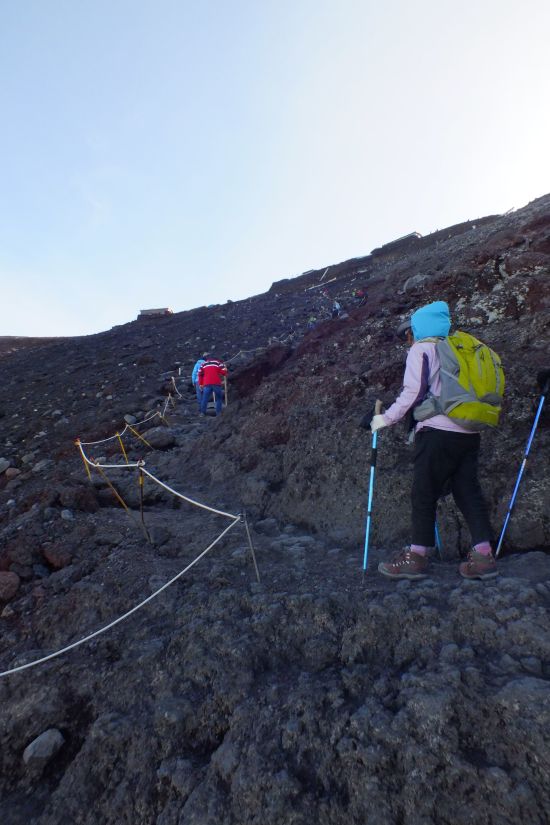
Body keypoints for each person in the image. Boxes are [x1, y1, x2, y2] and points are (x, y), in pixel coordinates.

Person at [370, 300, 498, 581]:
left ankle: (416, 557)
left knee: (423, 493)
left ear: (417, 328)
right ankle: (484, 556)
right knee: (468, 492)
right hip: (469, 432)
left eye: (410, 332)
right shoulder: (459, 346)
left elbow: (412, 394)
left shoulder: (422, 348)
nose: (409, 338)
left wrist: (383, 420)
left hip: (437, 433)